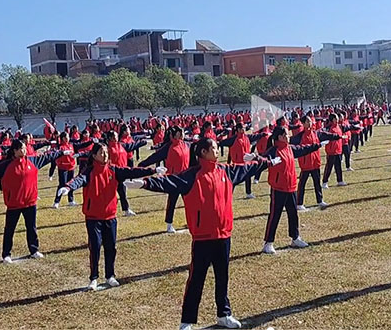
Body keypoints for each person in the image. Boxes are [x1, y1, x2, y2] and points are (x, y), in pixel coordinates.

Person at [125, 137, 273, 330]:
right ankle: (187, 321)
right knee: (196, 280)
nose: (217, 151)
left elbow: (248, 168)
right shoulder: (191, 175)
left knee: (222, 277)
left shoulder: (225, 171)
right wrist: (145, 183)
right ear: (203, 152)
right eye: (214, 148)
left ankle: (224, 314)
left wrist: (267, 162)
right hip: (203, 237)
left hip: (223, 235)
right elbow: (168, 182)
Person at [57, 142, 165, 290]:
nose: (105, 155)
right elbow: (78, 180)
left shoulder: (113, 170)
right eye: (101, 152)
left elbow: (131, 171)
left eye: (106, 152)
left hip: (110, 216)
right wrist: (68, 187)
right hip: (93, 218)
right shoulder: (89, 171)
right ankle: (93, 278)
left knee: (111, 247)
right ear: (94, 155)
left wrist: (152, 170)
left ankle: (110, 276)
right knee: (95, 248)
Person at [0, 139, 65, 262]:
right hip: (14, 204)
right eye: (21, 148)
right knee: (10, 229)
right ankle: (6, 254)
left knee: (31, 227)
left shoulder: (32, 161)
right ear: (15, 151)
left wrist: (61, 152)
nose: (24, 150)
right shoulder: (6, 165)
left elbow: (48, 157)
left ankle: (34, 250)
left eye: (25, 148)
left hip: (30, 202)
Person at [260, 126, 326, 254]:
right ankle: (268, 243)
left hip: (291, 187)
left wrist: (317, 145)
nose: (288, 136)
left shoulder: (290, 148)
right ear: (280, 137)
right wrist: (255, 158)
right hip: (278, 188)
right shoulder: (273, 151)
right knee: (275, 215)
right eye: (286, 134)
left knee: (293, 214)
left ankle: (295, 238)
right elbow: (263, 160)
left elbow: (303, 149)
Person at [138, 126, 191, 233]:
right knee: (172, 202)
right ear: (174, 135)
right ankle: (169, 224)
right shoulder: (169, 147)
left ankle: (191, 222)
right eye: (180, 132)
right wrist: (142, 165)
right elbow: (155, 157)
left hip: (185, 178)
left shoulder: (187, 144)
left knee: (190, 202)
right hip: (173, 179)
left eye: (182, 132)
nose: (182, 134)